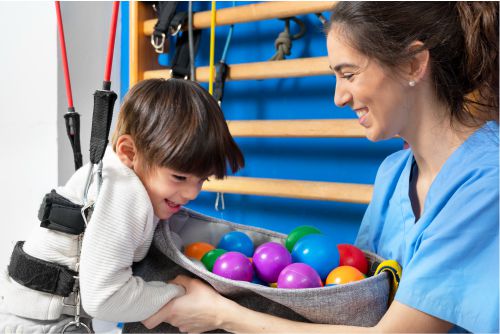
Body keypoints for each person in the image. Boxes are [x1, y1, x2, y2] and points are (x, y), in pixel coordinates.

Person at [142, 2, 499, 333]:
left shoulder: (488, 179)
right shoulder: (393, 173)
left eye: (349, 74)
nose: (338, 97)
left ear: (412, 64)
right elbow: (358, 305)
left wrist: (222, 314)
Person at [0, 78, 244, 332]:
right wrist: (177, 295)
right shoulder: (124, 192)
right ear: (129, 152)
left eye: (202, 179)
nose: (192, 192)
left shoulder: (115, 176)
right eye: (179, 177)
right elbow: (104, 298)